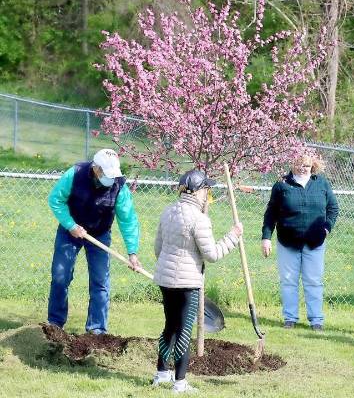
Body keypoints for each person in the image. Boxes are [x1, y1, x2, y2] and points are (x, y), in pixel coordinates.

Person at [151, 169, 243, 393]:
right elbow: (211, 254)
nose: (208, 194)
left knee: (169, 327)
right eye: (206, 189)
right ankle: (180, 383)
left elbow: (157, 249)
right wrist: (233, 236)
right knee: (183, 331)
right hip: (187, 283)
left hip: (165, 279)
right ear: (198, 191)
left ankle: (161, 374)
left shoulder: (168, 212)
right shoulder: (199, 219)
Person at [47, 148, 141, 335]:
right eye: (107, 174)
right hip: (70, 231)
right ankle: (55, 325)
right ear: (96, 169)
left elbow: (128, 219)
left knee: (100, 282)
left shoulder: (119, 186)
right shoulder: (75, 174)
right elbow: (55, 200)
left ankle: (97, 330)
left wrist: (133, 253)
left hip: (99, 234)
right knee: (60, 277)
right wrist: (70, 225)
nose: (111, 178)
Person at [261, 154, 339, 331]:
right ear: (292, 163)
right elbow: (271, 214)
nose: (302, 168)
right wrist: (266, 237)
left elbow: (333, 208)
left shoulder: (321, 184)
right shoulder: (282, 185)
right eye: (298, 163)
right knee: (288, 281)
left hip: (315, 242)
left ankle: (316, 320)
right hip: (288, 242)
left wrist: (326, 228)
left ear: (313, 166)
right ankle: (290, 318)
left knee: (314, 281)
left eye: (306, 165)